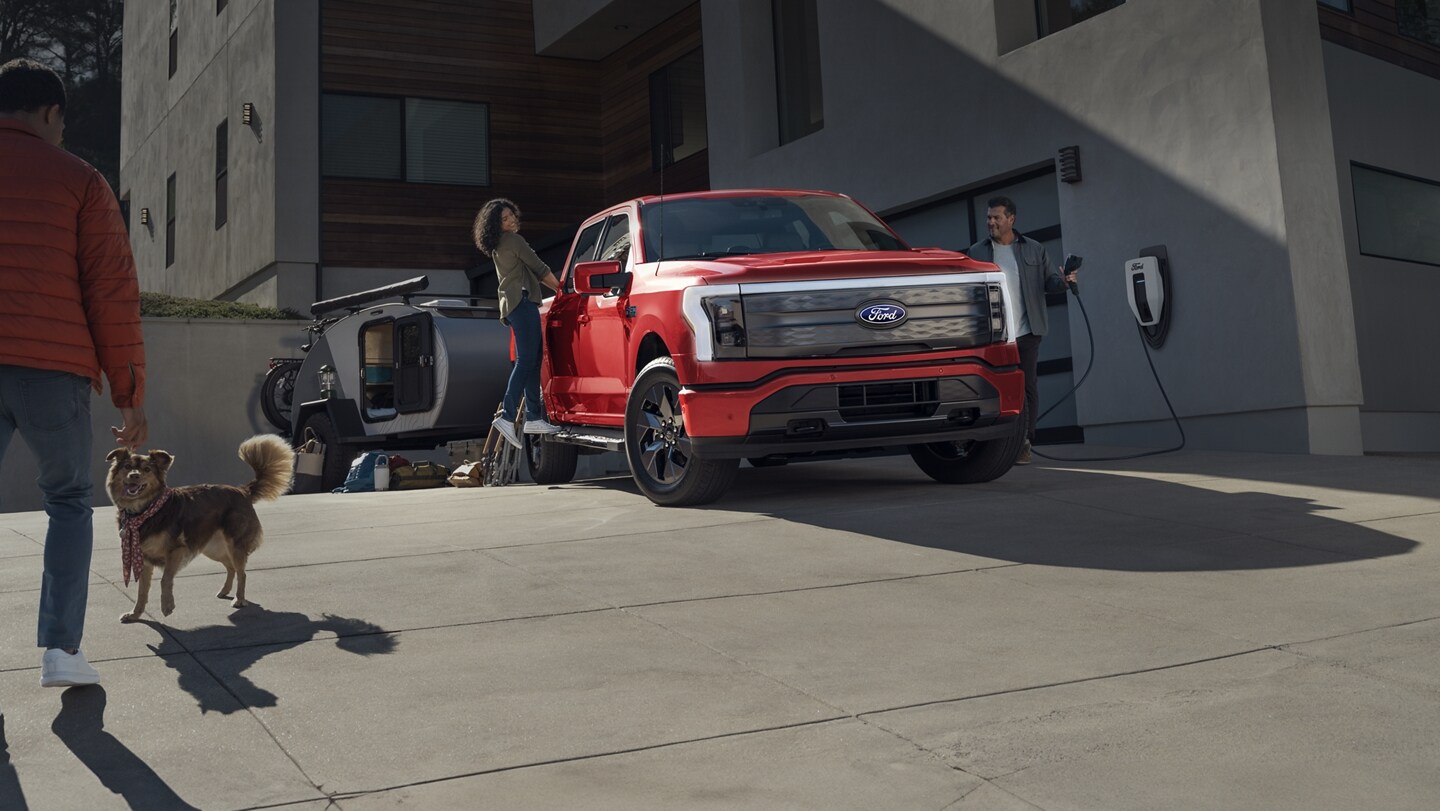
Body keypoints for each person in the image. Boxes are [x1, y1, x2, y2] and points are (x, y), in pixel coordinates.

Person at [0, 58, 148, 687]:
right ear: (51, 113)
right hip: (51, 369)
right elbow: (111, 293)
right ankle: (61, 652)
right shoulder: (82, 181)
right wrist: (130, 394)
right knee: (66, 503)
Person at [966, 195, 1077, 465]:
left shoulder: (1033, 249)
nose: (991, 222)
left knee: (1028, 387)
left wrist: (1064, 281)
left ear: (1011, 219)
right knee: (989, 387)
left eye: (996, 217)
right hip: (994, 337)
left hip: (1027, 332)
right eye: (989, 217)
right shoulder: (976, 252)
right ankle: (990, 442)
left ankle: (1024, 442)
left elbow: (1049, 282)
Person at [473, 198, 562, 449]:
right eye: (505, 219)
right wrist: (562, 289)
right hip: (521, 304)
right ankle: (508, 415)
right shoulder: (513, 241)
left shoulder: (498, 245)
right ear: (496, 224)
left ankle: (533, 417)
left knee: (532, 359)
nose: (511, 221)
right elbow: (539, 267)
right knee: (526, 360)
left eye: (512, 216)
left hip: (514, 306)